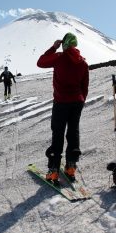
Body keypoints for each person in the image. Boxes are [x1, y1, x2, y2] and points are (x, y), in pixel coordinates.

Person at [37, 32, 89, 184]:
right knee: (73, 133)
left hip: (61, 103)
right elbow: (84, 86)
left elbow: (40, 62)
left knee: (58, 133)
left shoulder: (59, 57)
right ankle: (70, 167)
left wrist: (53, 47)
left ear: (65, 44)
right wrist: (81, 101)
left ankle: (53, 171)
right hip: (77, 102)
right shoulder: (83, 63)